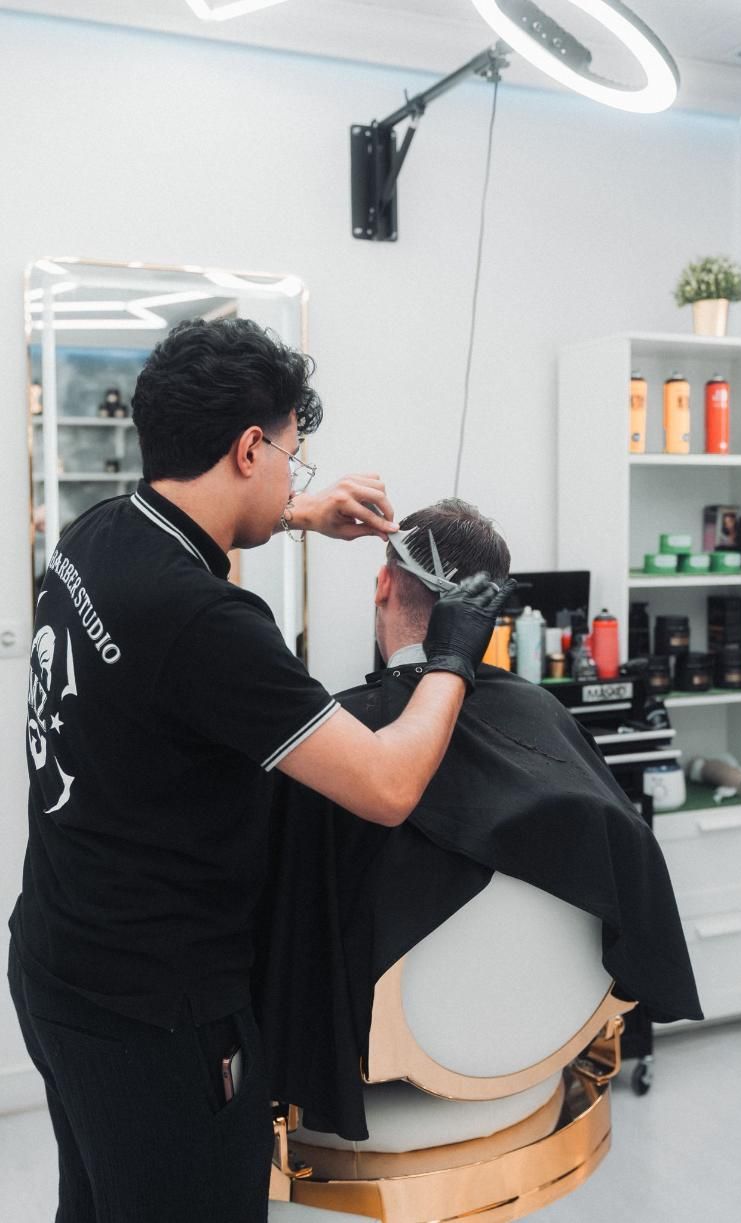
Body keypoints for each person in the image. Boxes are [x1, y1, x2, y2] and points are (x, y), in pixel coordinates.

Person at [7, 320, 514, 1223]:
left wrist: (295, 515)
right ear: (249, 447)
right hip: (161, 1014)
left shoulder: (95, 535)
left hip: (57, 962)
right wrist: (454, 655)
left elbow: (171, 626)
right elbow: (389, 785)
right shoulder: (209, 624)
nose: (296, 478)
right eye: (292, 458)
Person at [256, 498, 702, 1141]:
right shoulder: (543, 714)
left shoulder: (333, 741)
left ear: (384, 583)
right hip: (541, 1044)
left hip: (379, 1068)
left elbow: (285, 937)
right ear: (492, 613)